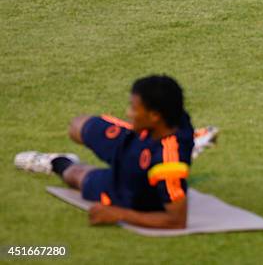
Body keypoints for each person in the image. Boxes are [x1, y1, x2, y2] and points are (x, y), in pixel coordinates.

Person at [15, 75, 195, 228]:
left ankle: (56, 161)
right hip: (135, 139)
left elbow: (177, 221)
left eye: (134, 108)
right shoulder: (174, 113)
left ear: (155, 116)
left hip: (130, 186)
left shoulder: (168, 163)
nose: (128, 112)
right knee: (77, 125)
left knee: (75, 175)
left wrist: (119, 214)